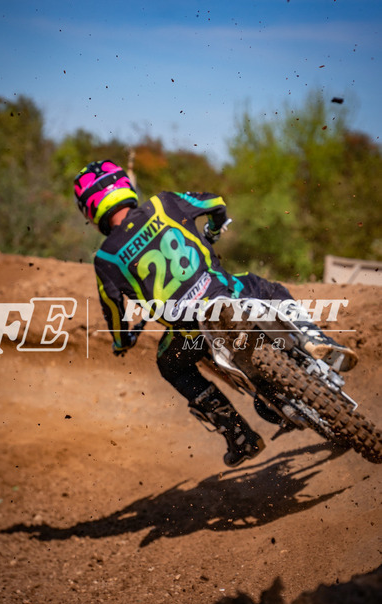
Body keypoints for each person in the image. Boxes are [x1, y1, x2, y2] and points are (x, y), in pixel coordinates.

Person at [74, 160, 357, 467]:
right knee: (268, 289)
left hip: (192, 332)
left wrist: (121, 340)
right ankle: (314, 339)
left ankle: (238, 435)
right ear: (125, 186)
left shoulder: (106, 258)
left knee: (170, 366)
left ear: (90, 210)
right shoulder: (163, 203)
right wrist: (213, 229)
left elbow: (114, 310)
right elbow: (215, 202)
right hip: (226, 295)